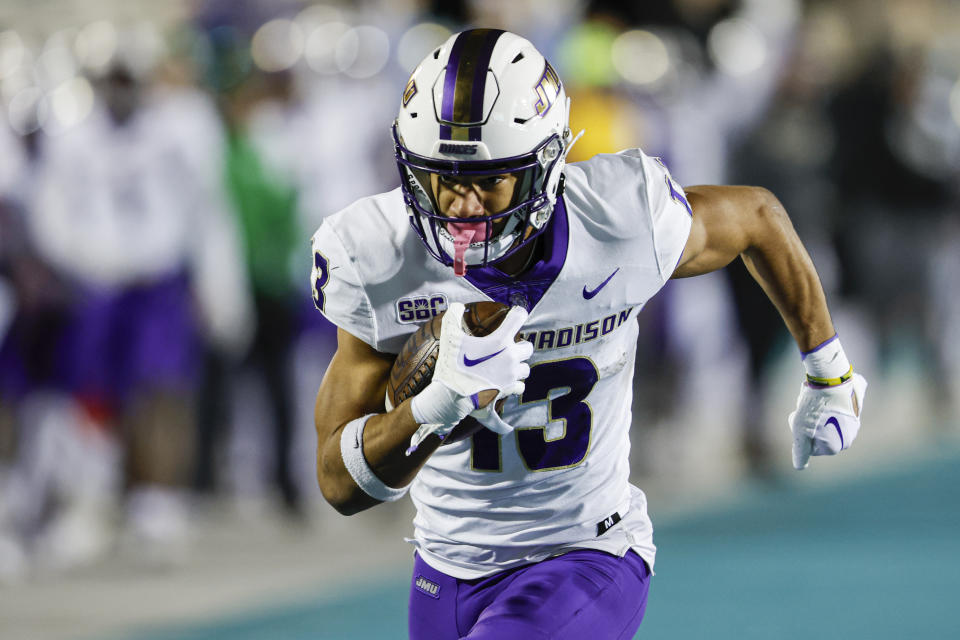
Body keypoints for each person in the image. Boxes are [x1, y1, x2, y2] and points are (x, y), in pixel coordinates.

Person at [310, 29, 867, 639]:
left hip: (585, 551)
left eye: (488, 180)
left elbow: (757, 215)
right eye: (441, 177)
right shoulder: (376, 255)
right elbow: (339, 485)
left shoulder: (620, 218)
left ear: (547, 166)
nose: (460, 208)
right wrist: (431, 408)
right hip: (445, 567)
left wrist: (829, 369)